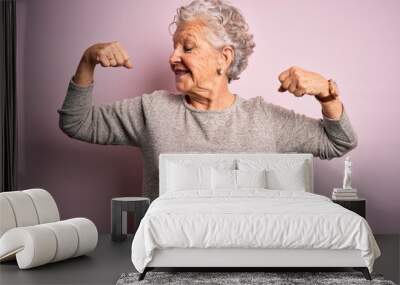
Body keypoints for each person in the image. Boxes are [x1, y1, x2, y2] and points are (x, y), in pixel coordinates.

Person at [57, 0, 357, 202]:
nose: (172, 57)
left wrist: (326, 93)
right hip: (168, 264)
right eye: (174, 47)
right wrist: (88, 60)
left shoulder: (264, 119)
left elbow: (339, 142)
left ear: (223, 58)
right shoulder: (153, 111)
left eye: (187, 47)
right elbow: (76, 122)